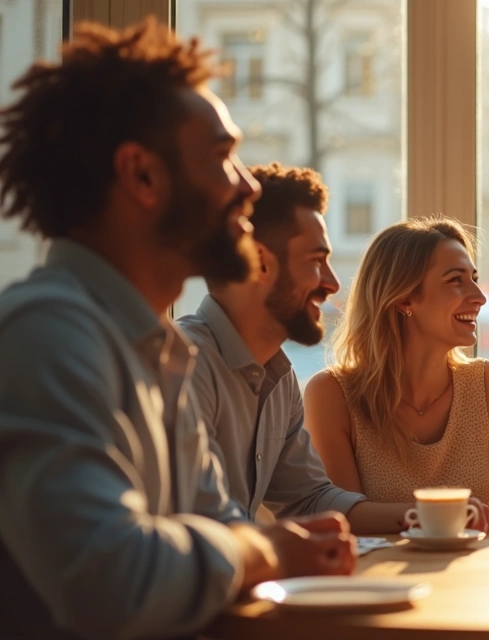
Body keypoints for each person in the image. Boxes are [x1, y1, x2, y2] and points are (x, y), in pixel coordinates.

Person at [0, 20, 355, 639]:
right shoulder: (47, 335)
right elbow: (116, 581)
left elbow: (218, 522)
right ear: (141, 175)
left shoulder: (156, 353)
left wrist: (259, 544)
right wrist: (266, 551)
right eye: (222, 157)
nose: (247, 187)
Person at [178, 163, 486, 533]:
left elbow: (309, 499)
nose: (332, 283)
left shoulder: (279, 380)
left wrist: (428, 516)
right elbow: (203, 528)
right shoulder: (183, 369)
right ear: (260, 262)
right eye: (316, 261)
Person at [305, 217, 489, 527]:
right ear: (404, 298)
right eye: (455, 280)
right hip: (378, 575)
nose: (479, 297)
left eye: (473, 277)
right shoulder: (332, 394)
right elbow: (347, 523)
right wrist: (441, 515)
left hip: (480, 572)